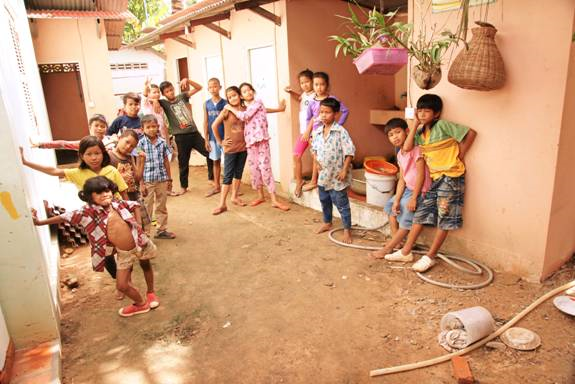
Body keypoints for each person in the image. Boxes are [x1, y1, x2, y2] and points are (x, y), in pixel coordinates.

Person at [31, 176, 159, 317]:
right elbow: (64, 217)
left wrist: (138, 224)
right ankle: (141, 304)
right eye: (98, 193)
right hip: (123, 253)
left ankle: (151, 292)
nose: (105, 194)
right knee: (121, 285)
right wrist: (40, 222)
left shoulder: (117, 204)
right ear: (90, 197)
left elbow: (135, 205)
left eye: (107, 190)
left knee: (146, 265)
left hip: (140, 243)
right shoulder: (88, 212)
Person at [384, 94, 477, 272]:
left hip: (451, 176)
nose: (422, 114)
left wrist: (461, 155)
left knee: (445, 216)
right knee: (421, 214)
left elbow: (470, 133)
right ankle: (405, 252)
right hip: (435, 179)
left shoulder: (442, 126)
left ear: (436, 114)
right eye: (419, 111)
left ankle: (430, 256)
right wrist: (414, 126)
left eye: (426, 111)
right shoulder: (420, 133)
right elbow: (406, 147)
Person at [369, 118, 431, 259]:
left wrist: (414, 198)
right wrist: (396, 199)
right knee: (391, 207)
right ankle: (397, 241)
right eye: (391, 135)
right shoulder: (399, 154)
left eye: (398, 132)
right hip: (408, 189)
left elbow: (421, 175)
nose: (395, 137)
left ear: (407, 132)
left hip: (420, 191)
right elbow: (402, 179)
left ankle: (387, 248)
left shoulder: (416, 150)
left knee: (406, 215)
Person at [224, 82, 290, 211]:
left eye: (249, 90)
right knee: (255, 170)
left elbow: (245, 116)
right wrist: (278, 109)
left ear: (253, 92)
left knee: (265, 169)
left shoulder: (257, 102)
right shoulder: (246, 107)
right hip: (250, 142)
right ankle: (260, 196)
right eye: (244, 91)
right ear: (241, 96)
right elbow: (265, 110)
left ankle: (274, 200)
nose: (248, 92)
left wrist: (231, 108)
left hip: (262, 141)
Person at [21, 136, 128, 200]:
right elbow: (53, 171)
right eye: (89, 154)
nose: (94, 158)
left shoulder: (112, 171)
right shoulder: (77, 173)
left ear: (103, 154)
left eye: (97, 153)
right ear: (81, 156)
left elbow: (124, 194)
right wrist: (26, 162)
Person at [158, 78, 213, 195]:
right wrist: (150, 92)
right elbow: (150, 98)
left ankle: (211, 178)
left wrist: (188, 81)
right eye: (167, 91)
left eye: (171, 90)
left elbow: (199, 88)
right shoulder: (164, 103)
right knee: (183, 162)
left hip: (194, 133)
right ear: (163, 94)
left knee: (210, 153)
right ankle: (184, 187)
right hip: (181, 137)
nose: (170, 93)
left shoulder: (182, 97)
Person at [311, 98, 355, 244]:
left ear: (336, 114)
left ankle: (347, 229)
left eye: (327, 112)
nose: (323, 115)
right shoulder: (317, 132)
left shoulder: (341, 131)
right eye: (321, 112)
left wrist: (344, 170)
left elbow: (349, 151)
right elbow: (314, 150)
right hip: (323, 176)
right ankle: (327, 222)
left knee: (341, 203)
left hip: (337, 176)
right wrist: (316, 161)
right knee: (324, 200)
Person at [303, 71, 349, 192]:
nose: (319, 87)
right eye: (316, 84)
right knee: (316, 157)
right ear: (313, 85)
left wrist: (337, 125)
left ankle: (326, 182)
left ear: (327, 85)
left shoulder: (332, 99)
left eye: (322, 84)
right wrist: (308, 132)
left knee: (329, 157)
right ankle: (316, 181)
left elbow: (345, 111)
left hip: (330, 134)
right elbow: (309, 118)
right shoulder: (312, 101)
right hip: (316, 134)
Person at [137, 114, 176, 240]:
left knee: (161, 205)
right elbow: (139, 164)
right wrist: (141, 183)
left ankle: (161, 230)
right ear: (142, 129)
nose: (152, 129)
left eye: (154, 126)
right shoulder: (140, 144)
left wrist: (169, 178)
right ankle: (146, 234)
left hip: (161, 179)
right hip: (147, 181)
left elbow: (166, 161)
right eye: (148, 127)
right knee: (147, 207)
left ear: (158, 127)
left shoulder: (162, 142)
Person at [211, 86, 248, 215]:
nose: (232, 98)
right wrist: (220, 142)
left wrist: (280, 109)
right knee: (228, 176)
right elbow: (214, 125)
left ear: (240, 95)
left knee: (238, 173)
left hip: (243, 147)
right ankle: (222, 204)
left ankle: (234, 197)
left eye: (234, 95)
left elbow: (261, 111)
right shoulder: (226, 111)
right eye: (229, 97)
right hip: (230, 149)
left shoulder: (245, 110)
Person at [284, 69, 316, 197]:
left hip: (313, 132)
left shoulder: (315, 96)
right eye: (302, 83)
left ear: (313, 81)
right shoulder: (304, 94)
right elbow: (300, 98)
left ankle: (314, 181)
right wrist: (291, 92)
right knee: (296, 156)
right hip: (303, 132)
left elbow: (315, 115)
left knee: (316, 158)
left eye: (307, 82)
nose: (304, 85)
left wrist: (309, 132)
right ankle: (299, 181)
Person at [30, 114, 117, 151]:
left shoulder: (111, 142)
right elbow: (63, 144)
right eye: (96, 125)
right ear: (90, 126)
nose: (99, 128)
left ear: (106, 128)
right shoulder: (85, 143)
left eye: (102, 126)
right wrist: (41, 144)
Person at [203, 78, 227, 197]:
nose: (213, 89)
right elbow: (206, 122)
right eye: (211, 87)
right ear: (208, 89)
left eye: (215, 86)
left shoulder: (226, 103)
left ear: (220, 87)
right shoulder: (206, 104)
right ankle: (217, 186)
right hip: (212, 138)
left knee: (228, 163)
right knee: (215, 162)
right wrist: (206, 139)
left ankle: (231, 188)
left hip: (225, 137)